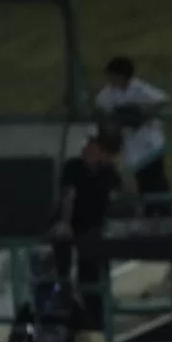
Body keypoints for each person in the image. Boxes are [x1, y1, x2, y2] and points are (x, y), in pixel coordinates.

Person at [51, 133, 121, 331]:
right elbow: (69, 196)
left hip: (93, 227)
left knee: (91, 274)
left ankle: (95, 320)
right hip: (74, 224)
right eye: (87, 150)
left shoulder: (106, 170)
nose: (89, 154)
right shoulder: (74, 167)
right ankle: (64, 307)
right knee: (63, 267)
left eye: (94, 150)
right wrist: (65, 223)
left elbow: (121, 191)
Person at [95, 56, 172, 219]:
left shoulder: (139, 89)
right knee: (141, 179)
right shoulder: (108, 93)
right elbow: (101, 107)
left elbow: (162, 100)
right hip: (130, 142)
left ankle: (165, 212)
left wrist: (140, 114)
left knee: (157, 177)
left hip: (149, 140)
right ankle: (149, 212)